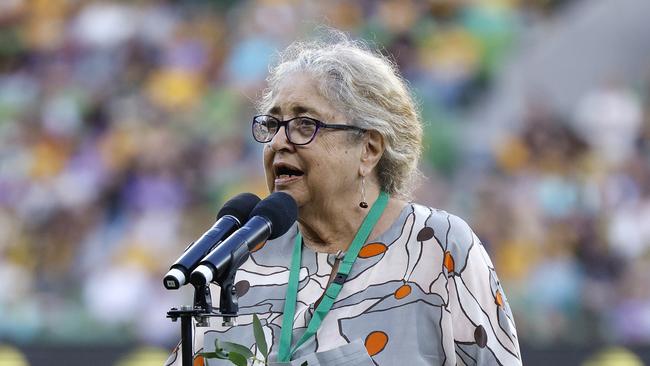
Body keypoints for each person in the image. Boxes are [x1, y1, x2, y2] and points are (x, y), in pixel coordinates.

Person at [166, 30, 521, 366]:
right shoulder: (243, 258)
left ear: (368, 149)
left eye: (305, 123)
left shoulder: (438, 246)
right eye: (273, 125)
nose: (277, 142)